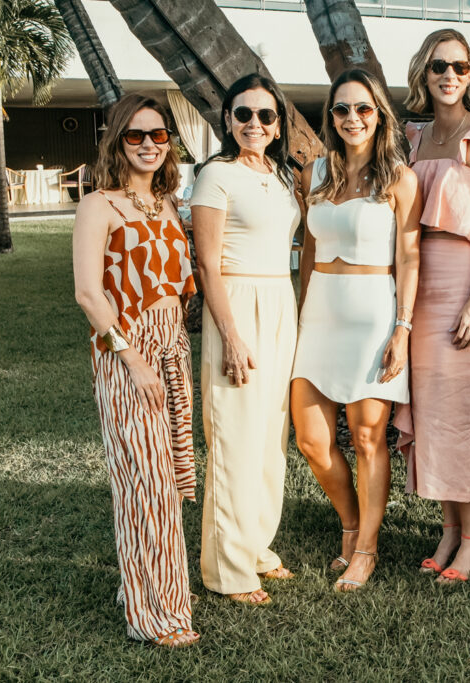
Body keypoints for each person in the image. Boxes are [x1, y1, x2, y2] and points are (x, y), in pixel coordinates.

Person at [72, 94, 198, 647]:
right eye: (136, 135)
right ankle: (156, 616)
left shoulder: (168, 205)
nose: (149, 144)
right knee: (145, 486)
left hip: (172, 345)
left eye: (159, 134)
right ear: (116, 139)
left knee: (165, 479)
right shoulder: (98, 205)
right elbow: (86, 292)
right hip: (129, 350)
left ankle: (139, 585)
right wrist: (132, 358)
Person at [291, 69, 421, 591]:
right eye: (342, 109)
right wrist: (300, 313)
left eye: (363, 109)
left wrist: (403, 328)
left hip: (373, 314)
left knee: (369, 438)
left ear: (379, 115)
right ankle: (350, 524)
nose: (352, 118)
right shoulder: (315, 173)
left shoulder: (399, 180)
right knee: (311, 440)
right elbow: (307, 251)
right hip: (320, 311)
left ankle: (365, 548)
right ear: (331, 117)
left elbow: (410, 257)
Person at [394, 28, 470, 584]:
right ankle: (447, 528)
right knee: (430, 413)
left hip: (464, 278)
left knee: (459, 418)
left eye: (460, 67)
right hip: (418, 284)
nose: (450, 76)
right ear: (424, 70)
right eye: (440, 66)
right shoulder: (413, 137)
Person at [191, 74, 301, 605]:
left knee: (269, 438)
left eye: (265, 116)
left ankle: (256, 546)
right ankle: (228, 570)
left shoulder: (280, 175)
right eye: (243, 115)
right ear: (227, 120)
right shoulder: (217, 175)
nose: (254, 124)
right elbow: (207, 265)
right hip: (237, 306)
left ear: (279, 124)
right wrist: (231, 335)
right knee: (235, 438)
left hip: (281, 302)